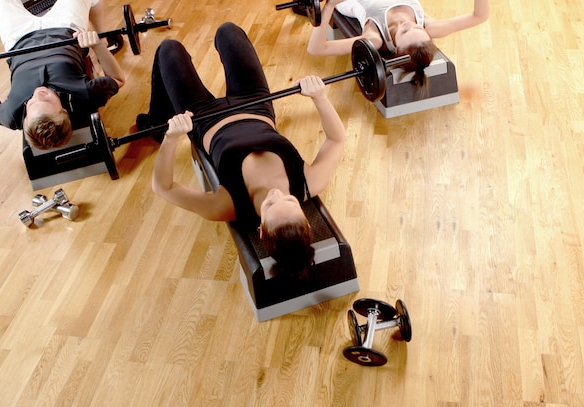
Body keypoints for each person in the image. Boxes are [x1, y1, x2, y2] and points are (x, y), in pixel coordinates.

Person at [146, 22, 346, 280]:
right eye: (289, 200)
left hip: (201, 117)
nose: (276, 194)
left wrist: (170, 138)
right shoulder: (309, 183)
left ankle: (156, 123)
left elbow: (164, 188)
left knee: (168, 49)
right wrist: (320, 97)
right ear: (306, 219)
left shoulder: (227, 206)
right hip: (255, 103)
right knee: (228, 31)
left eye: (271, 204)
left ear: (261, 230)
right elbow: (336, 139)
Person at [0, 0, 125, 150]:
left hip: (18, 38)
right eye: (46, 99)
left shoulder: (13, 113)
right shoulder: (83, 96)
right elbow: (118, 79)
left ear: (25, 118)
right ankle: (105, 40)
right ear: (64, 111)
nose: (38, 93)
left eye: (30, 103)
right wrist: (98, 46)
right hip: (65, 28)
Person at [307, 0, 489, 87]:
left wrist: (329, 7)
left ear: (396, 47)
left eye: (404, 31)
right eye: (417, 28)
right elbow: (480, 16)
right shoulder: (430, 27)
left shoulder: (376, 37)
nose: (408, 23)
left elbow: (317, 48)